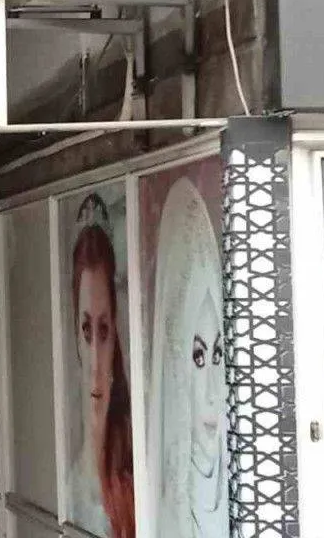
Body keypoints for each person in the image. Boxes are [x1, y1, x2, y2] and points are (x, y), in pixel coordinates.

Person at [150, 178, 227, 538]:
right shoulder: (169, 513)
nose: (214, 390)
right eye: (197, 358)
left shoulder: (243, 491)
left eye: (218, 355)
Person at [68, 199, 136, 538]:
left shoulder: (133, 469)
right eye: (86, 330)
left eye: (104, 330)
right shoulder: (71, 480)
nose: (95, 360)